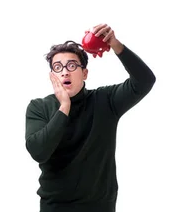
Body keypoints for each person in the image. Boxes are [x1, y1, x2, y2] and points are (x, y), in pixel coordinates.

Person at [24, 23, 156, 212]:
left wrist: (116, 45)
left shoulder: (105, 101)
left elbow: (144, 81)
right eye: (58, 67)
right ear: (53, 76)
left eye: (71, 65)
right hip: (56, 207)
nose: (65, 71)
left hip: (100, 207)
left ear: (84, 73)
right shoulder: (39, 107)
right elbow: (38, 152)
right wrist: (64, 107)